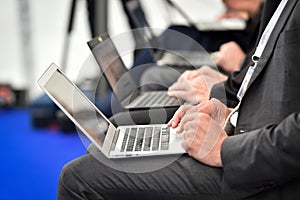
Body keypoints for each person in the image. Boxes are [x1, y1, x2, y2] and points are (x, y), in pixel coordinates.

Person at [57, 0, 300, 199]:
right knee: (113, 136)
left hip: (261, 168)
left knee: (77, 178)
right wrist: (228, 110)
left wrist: (225, 150)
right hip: (248, 134)